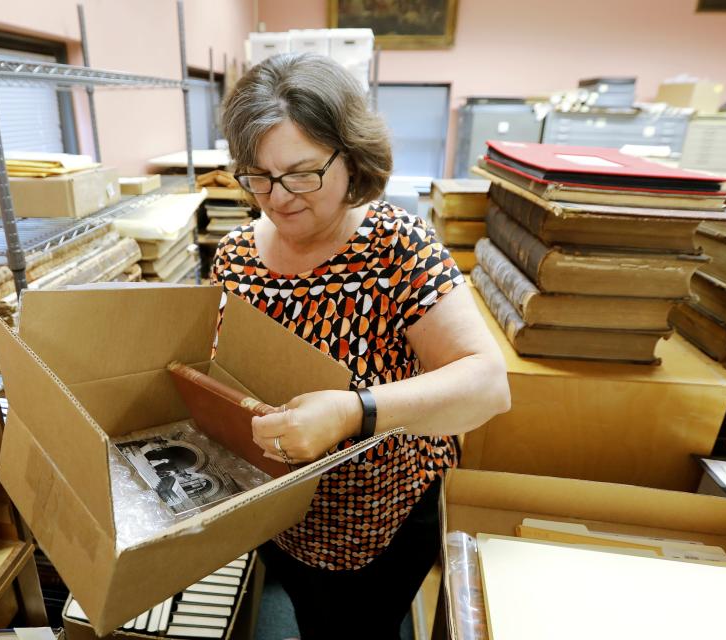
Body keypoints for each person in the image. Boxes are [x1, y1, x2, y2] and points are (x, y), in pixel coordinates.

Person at [212, 52, 510, 639]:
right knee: (308, 617)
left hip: (381, 519)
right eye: (258, 176)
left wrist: (355, 410)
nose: (279, 197)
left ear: (351, 158)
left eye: (302, 173)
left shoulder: (396, 246)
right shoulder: (235, 254)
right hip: (282, 517)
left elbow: (487, 384)